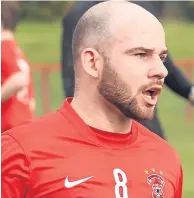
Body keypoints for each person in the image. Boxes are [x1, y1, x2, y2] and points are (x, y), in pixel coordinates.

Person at [2, 1, 183, 197]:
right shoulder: (20, 152)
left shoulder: (165, 158)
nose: (161, 70)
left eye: (162, 57)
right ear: (92, 62)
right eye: (141, 54)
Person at [61, 0, 194, 139]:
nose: (161, 71)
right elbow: (72, 73)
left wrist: (189, 91)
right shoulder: (80, 15)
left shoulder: (140, 6)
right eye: (140, 54)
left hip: (145, 128)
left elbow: (159, 60)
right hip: (93, 130)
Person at [1, 1, 35, 132]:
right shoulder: (16, 51)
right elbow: (31, 102)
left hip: (9, 127)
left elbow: (20, 79)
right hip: (23, 124)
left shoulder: (3, 47)